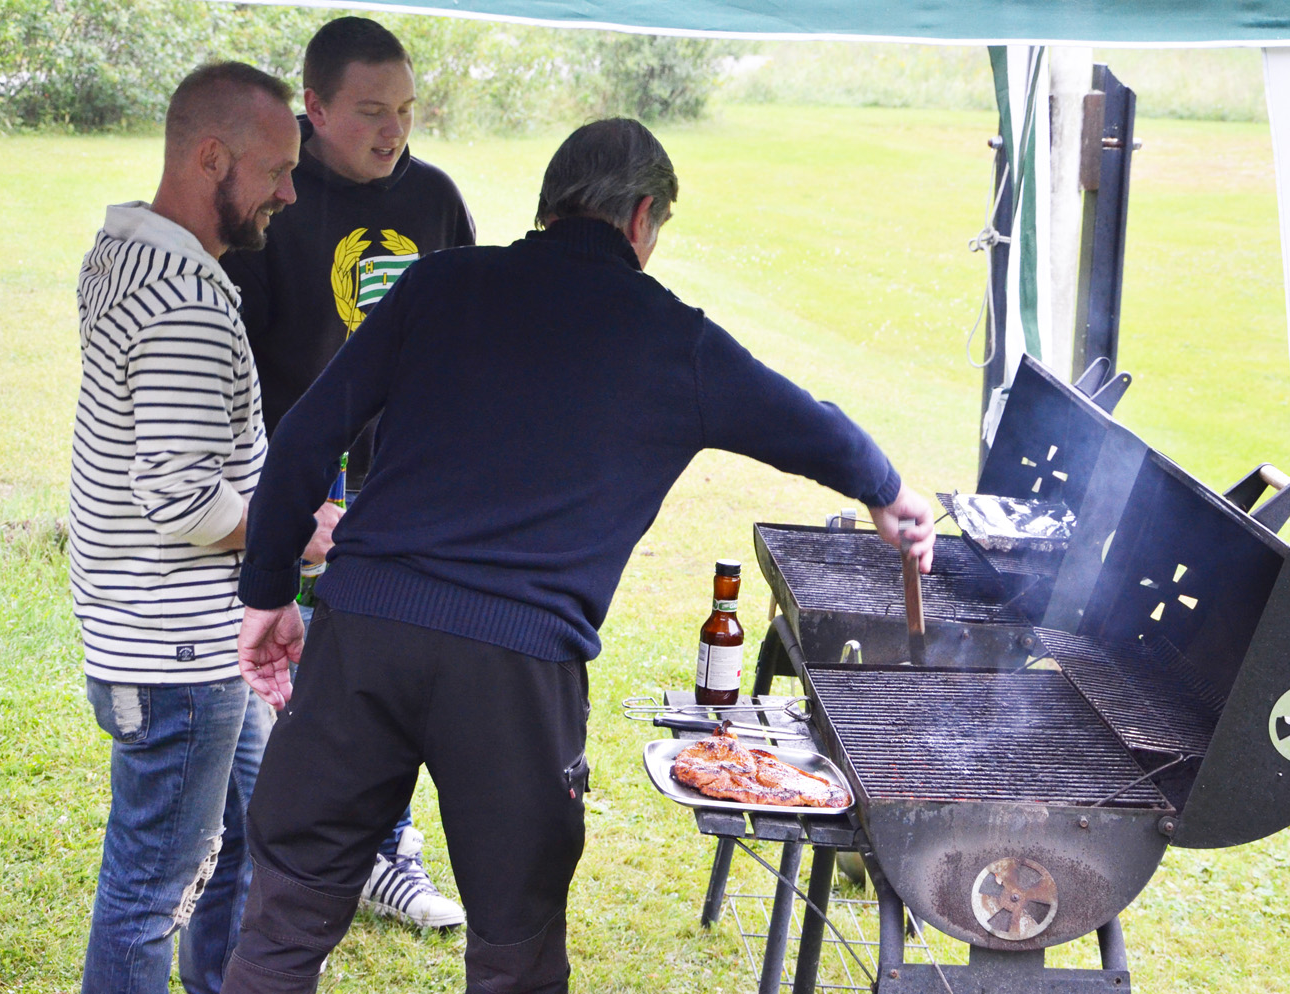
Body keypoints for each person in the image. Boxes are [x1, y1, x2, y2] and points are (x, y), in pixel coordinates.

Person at [220, 118, 938, 994]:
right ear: (641, 219)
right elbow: (805, 424)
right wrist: (888, 491)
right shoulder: (677, 339)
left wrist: (267, 597)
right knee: (514, 947)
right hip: (515, 675)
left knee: (284, 924)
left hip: (363, 634)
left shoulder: (439, 286)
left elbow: (302, 440)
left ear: (551, 203)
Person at [69, 63, 339, 994]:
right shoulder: (187, 297)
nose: (290, 193)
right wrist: (300, 529)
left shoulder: (124, 252)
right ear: (211, 156)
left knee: (246, 839)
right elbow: (182, 500)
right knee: (149, 894)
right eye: (274, 171)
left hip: (178, 641)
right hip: (174, 658)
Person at [221, 15, 474, 932]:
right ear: (315, 107)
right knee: (296, 669)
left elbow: (467, 336)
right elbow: (238, 362)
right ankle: (294, 847)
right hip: (296, 480)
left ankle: (388, 852)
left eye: (405, 110)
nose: (393, 130)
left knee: (393, 668)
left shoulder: (438, 200)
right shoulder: (273, 207)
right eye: (371, 110)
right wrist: (290, 498)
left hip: (403, 481)